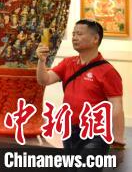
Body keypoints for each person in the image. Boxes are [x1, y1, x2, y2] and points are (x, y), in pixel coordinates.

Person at [36, 19, 125, 171]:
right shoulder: (68, 63)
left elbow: (116, 107)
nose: (74, 37)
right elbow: (44, 80)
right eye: (73, 34)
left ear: (95, 39)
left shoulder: (108, 71)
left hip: (96, 133)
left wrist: (118, 143)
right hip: (70, 131)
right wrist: (41, 61)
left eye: (79, 34)